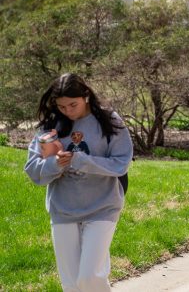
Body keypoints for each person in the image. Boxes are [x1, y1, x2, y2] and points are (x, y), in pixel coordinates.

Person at [24, 73, 133, 291]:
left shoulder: (109, 121)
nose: (68, 111)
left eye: (73, 104)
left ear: (86, 96)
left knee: (89, 278)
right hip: (63, 209)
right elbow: (33, 171)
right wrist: (55, 164)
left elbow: (121, 163)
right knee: (72, 285)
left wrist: (81, 161)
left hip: (103, 206)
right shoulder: (50, 126)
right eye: (62, 106)